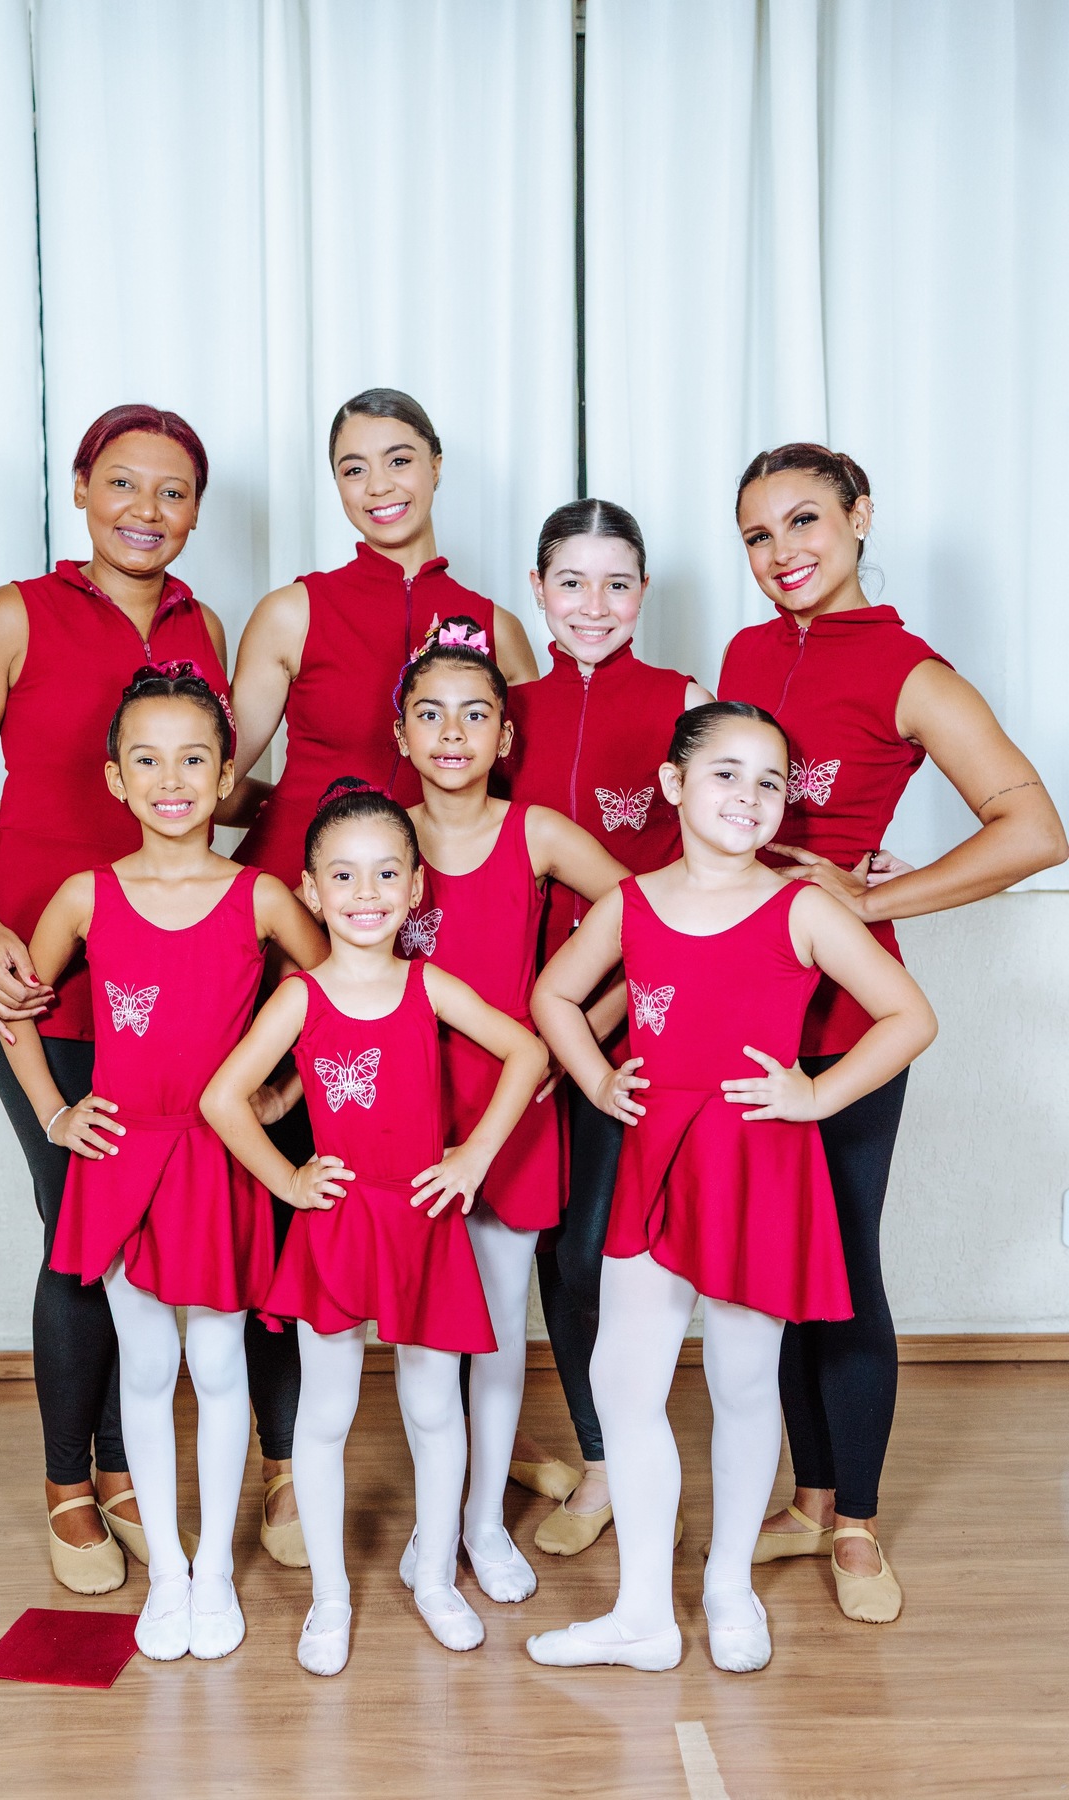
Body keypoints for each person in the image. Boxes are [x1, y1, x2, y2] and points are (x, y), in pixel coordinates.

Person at [720, 444, 1067, 1620]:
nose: (784, 554)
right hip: (738, 996)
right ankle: (806, 1501)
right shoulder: (745, 655)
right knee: (771, 1264)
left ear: (862, 517)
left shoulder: (913, 670)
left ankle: (858, 1524)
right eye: (759, 536)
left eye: (806, 521)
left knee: (844, 1264)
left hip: (847, 1012)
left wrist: (874, 900)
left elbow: (1034, 827)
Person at [526, 702, 937, 1674]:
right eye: (726, 773)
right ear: (672, 784)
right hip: (658, 1152)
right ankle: (640, 1614)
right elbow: (553, 994)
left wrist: (815, 1092)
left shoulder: (804, 909)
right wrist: (595, 1075)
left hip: (757, 1162)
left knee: (745, 1380)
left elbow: (906, 1015)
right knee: (623, 1377)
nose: (749, 796)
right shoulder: (633, 903)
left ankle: (726, 1589)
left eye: (770, 781)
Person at [0, 404, 228, 1591]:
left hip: (171, 974)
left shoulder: (208, 628)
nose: (147, 512)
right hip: (37, 966)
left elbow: (209, 792)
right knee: (79, 1218)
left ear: (197, 509)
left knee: (137, 1220)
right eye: (124, 485)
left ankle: (118, 1460)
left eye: (174, 492)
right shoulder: (14, 615)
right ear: (84, 491)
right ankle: (67, 1485)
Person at [225, 387, 539, 1563]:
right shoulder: (295, 608)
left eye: (399, 459)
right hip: (312, 923)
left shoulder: (495, 624)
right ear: (336, 485)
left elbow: (529, 797)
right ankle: (289, 1465)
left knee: (430, 1171)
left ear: (438, 466)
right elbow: (218, 770)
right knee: (297, 1179)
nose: (379, 485)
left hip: (431, 922)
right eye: (353, 468)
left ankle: (461, 1461)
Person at [0, 667, 327, 1659]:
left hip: (218, 1162)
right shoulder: (86, 897)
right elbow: (17, 1005)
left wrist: (282, 1097)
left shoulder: (261, 897)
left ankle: (216, 1575)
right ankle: (172, 1575)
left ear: (229, 775)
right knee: (146, 1365)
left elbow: (337, 999)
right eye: (147, 759)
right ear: (115, 778)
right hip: (124, 1159)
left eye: (194, 759)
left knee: (220, 1363)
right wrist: (56, 1111)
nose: (171, 779)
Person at [201, 781, 547, 1676]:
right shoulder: (301, 999)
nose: (366, 893)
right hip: (340, 1225)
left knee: (435, 1407)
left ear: (416, 887)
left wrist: (472, 1154)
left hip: (422, 1222)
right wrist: (287, 1179)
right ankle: (329, 1598)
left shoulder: (429, 985)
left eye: (387, 873)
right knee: (327, 1413)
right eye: (344, 876)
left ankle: (435, 1575)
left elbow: (528, 1050)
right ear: (311, 891)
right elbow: (221, 1097)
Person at [391, 617, 628, 1605]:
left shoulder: (533, 832)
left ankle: (484, 1524)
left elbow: (647, 922)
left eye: (475, 714)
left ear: (505, 737)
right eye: (430, 714)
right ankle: (430, 1525)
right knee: (421, 1337)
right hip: (404, 1118)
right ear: (400, 733)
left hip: (513, 1111)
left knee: (494, 1331)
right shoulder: (379, 836)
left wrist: (577, 1047)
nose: (452, 732)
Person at [500, 498, 712, 1552]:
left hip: (637, 1024)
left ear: (643, 593)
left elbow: (699, 878)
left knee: (599, 1248)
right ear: (536, 588)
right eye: (571, 582)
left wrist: (590, 1023)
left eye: (617, 583)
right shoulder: (505, 708)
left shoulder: (685, 702)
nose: (594, 605)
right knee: (542, 1243)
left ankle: (613, 1462)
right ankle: (592, 1452)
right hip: (515, 1026)